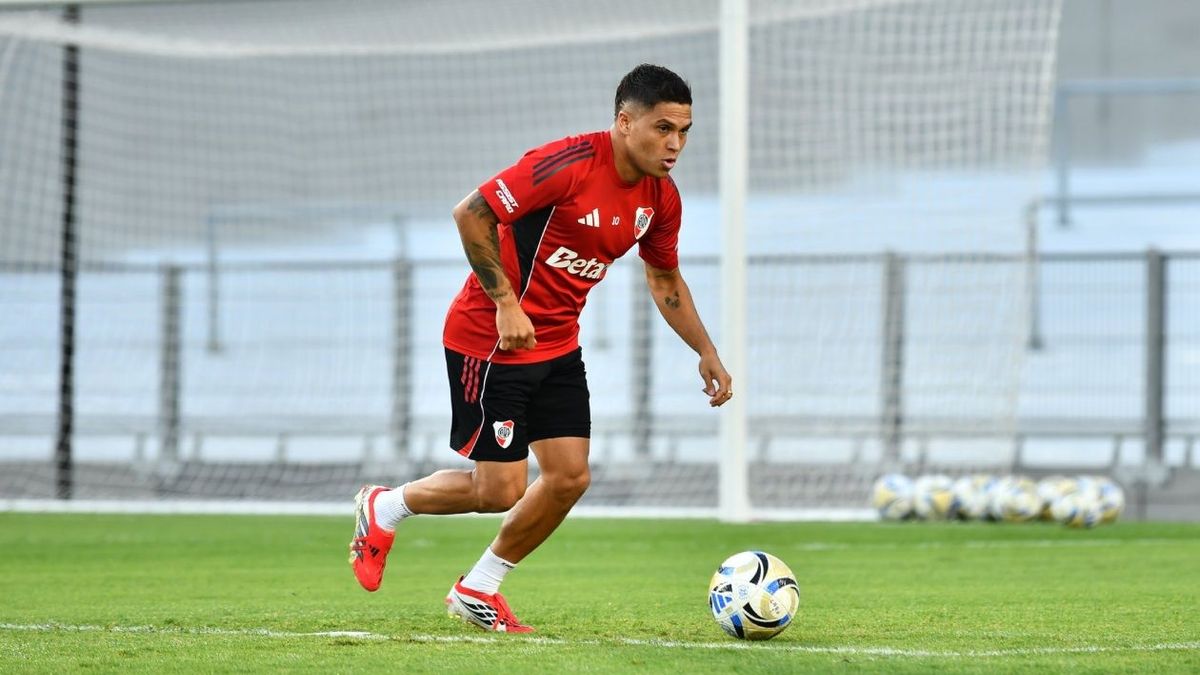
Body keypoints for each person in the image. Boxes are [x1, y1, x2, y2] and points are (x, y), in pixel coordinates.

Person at [349, 63, 733, 633]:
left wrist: (706, 350)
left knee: (569, 478)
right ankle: (385, 506)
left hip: (557, 347)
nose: (674, 144)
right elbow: (472, 213)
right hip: (489, 339)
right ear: (624, 123)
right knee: (498, 490)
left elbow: (665, 280)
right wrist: (506, 302)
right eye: (662, 128)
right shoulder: (569, 164)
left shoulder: (661, 198)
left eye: (684, 131)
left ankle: (478, 587)